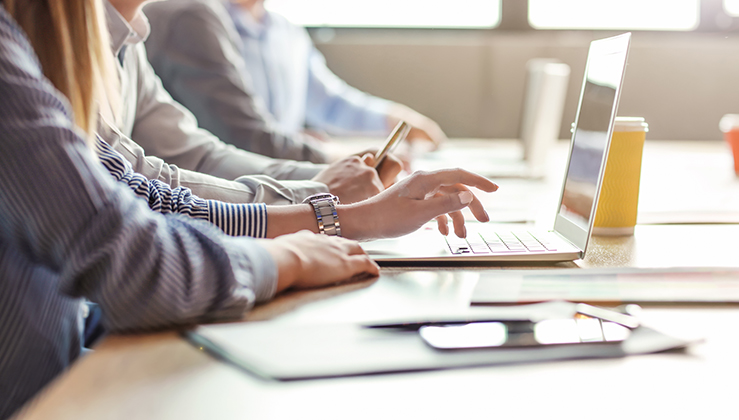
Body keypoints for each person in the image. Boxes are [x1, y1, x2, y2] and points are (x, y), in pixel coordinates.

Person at [0, 1, 497, 417]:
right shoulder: (32, 49)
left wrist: (338, 209)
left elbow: (149, 188)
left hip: (64, 363)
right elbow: (142, 256)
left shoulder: (100, 38)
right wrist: (303, 242)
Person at [101, 0, 403, 207]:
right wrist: (315, 193)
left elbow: (200, 156)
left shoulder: (131, 35)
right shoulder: (190, 13)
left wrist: (345, 178)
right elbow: (148, 182)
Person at [142, 0, 447, 163]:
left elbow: (327, 101)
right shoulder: (193, 17)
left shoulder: (285, 31)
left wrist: (396, 119)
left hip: (284, 166)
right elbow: (247, 137)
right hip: (235, 180)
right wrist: (341, 155)